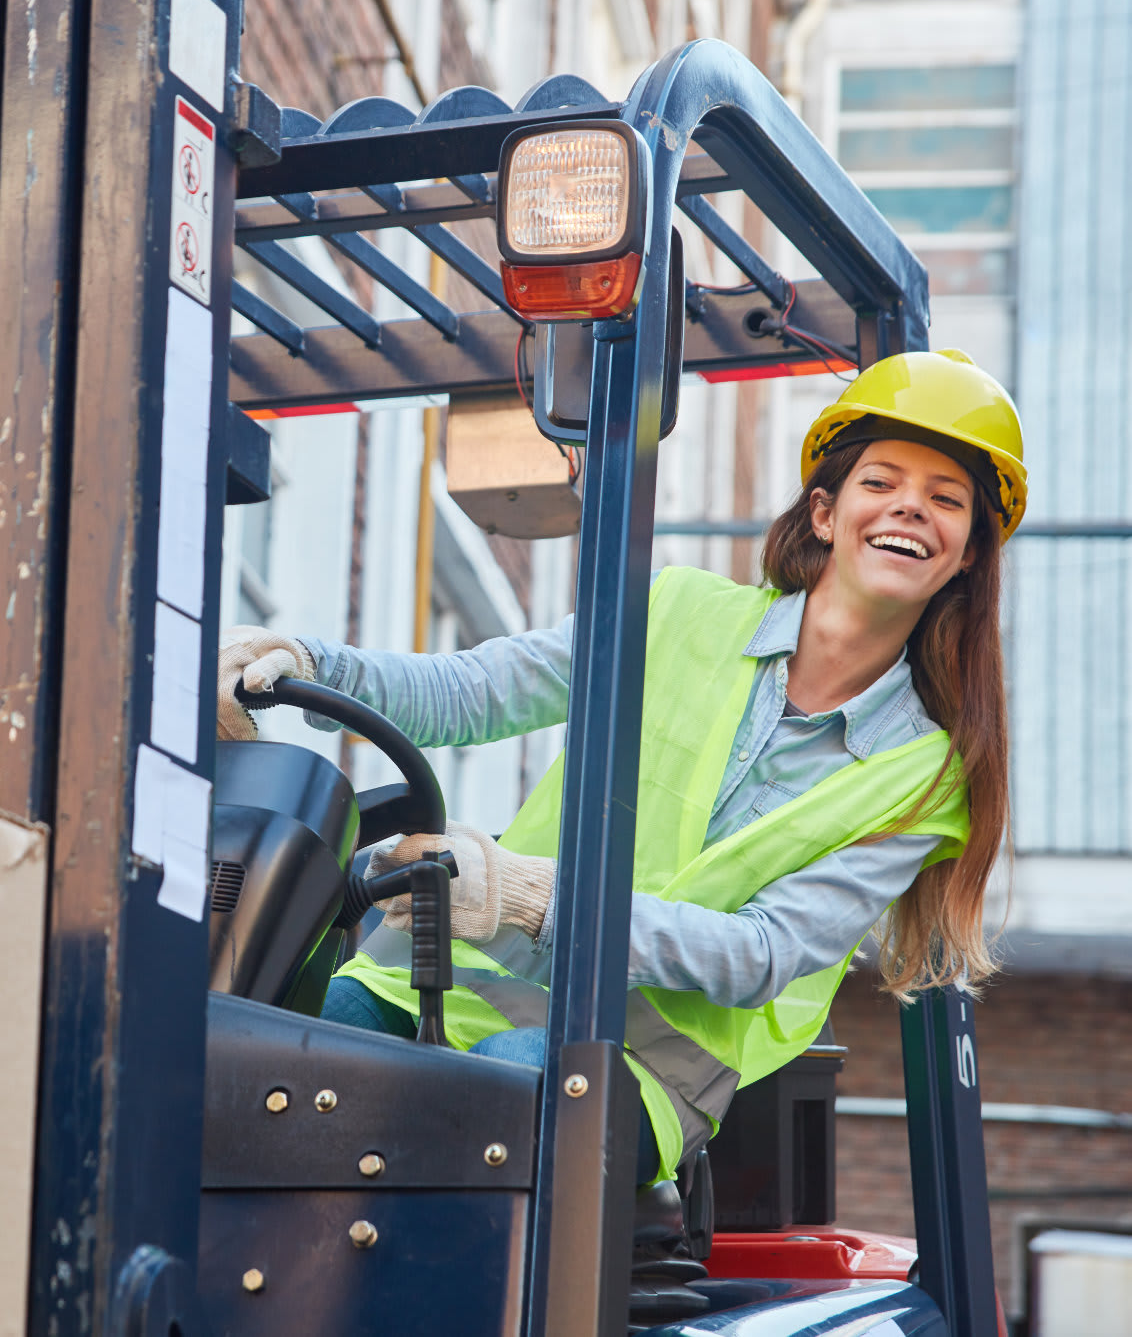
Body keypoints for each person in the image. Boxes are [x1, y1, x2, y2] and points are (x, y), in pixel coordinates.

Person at [216, 349, 1026, 1310]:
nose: (906, 509)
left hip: (639, 1065)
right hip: (454, 980)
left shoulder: (926, 778)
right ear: (825, 512)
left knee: (506, 1092)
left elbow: (763, 953)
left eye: (945, 499)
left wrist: (524, 893)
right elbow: (481, 688)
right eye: (880, 483)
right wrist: (307, 661)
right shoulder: (681, 612)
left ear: (971, 549)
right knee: (281, 1058)